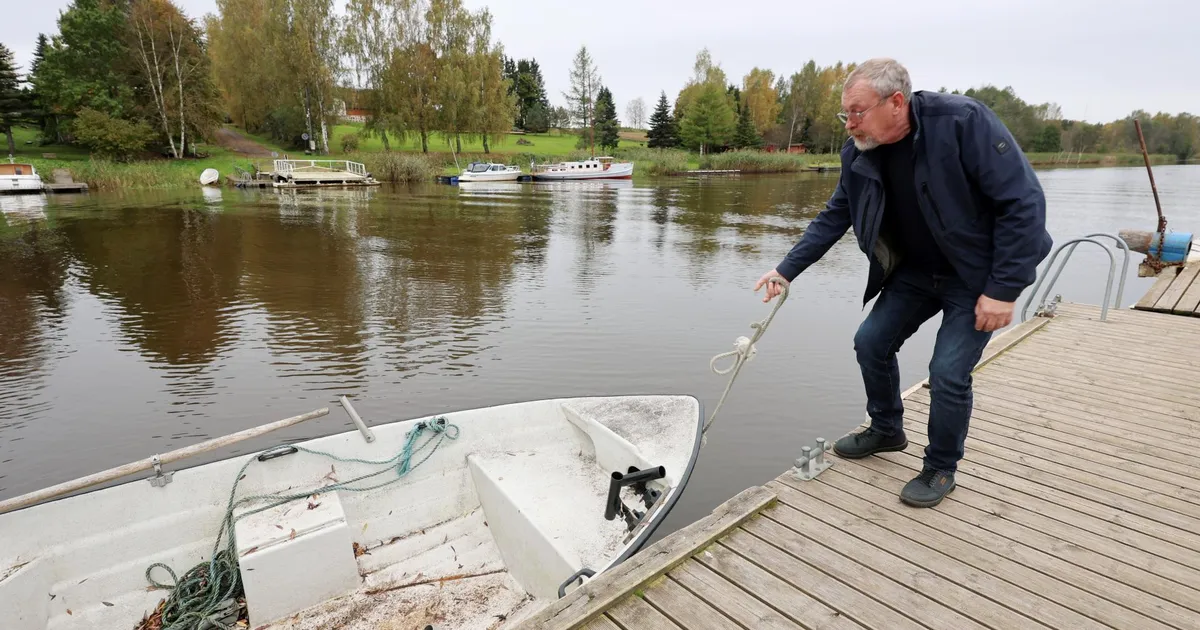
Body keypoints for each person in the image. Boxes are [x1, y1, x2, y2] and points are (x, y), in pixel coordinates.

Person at [755, 58, 1051, 508]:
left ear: (896, 102)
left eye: (857, 112)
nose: (849, 124)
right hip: (915, 272)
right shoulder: (859, 151)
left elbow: (1023, 203)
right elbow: (836, 214)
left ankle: (941, 467)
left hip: (976, 276)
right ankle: (887, 429)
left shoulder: (962, 123)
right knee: (871, 342)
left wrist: (1004, 289)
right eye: (845, 114)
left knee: (947, 374)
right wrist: (785, 269)